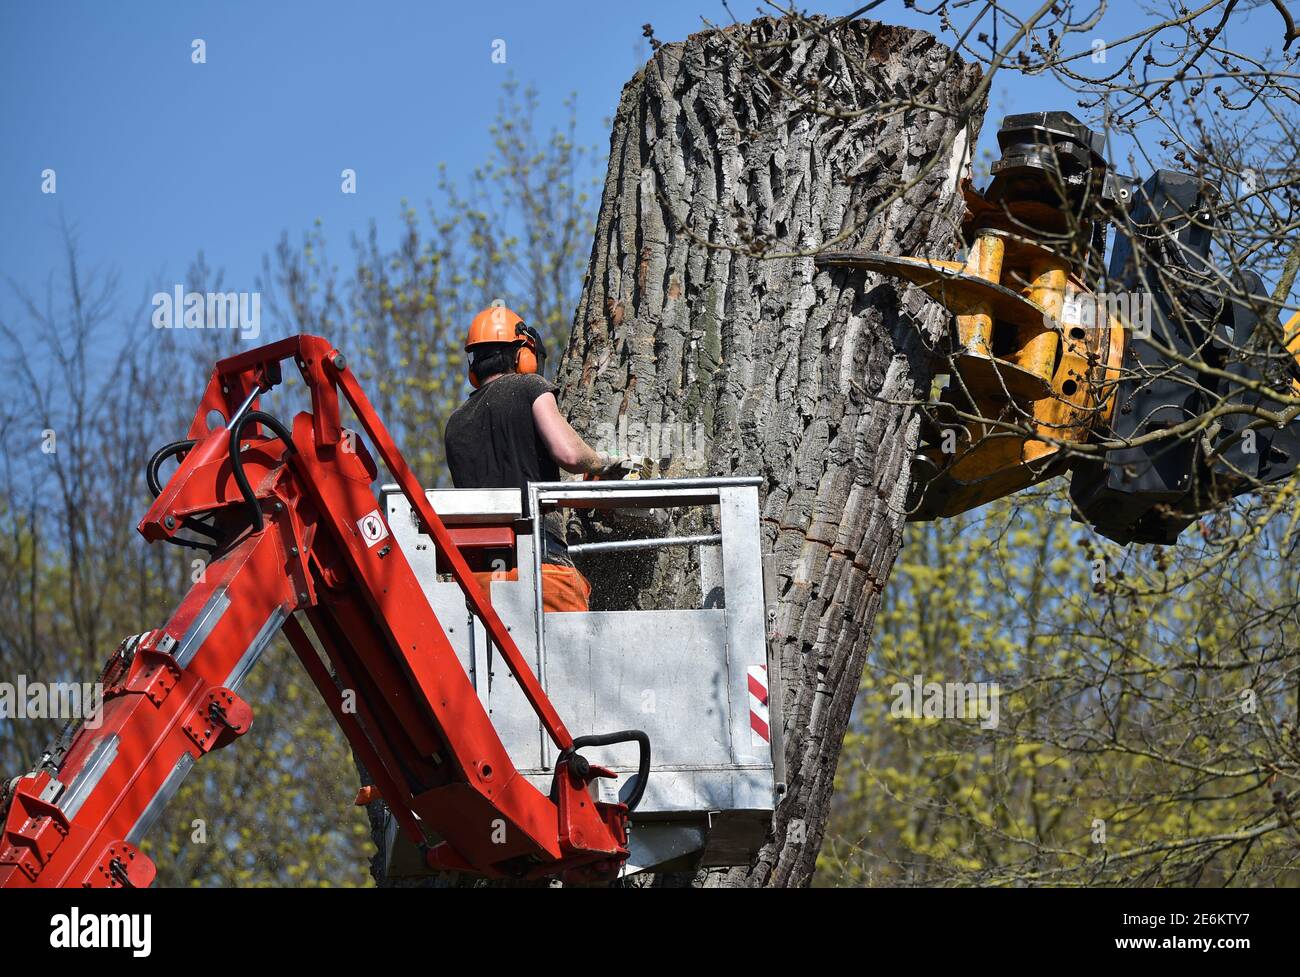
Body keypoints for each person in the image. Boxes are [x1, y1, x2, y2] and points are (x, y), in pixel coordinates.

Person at [443, 304, 612, 611]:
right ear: (523, 354)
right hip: (539, 566)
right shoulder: (529, 386)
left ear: (474, 367)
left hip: (479, 580)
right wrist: (601, 463)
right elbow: (569, 453)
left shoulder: (456, 423)